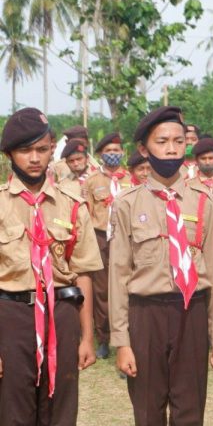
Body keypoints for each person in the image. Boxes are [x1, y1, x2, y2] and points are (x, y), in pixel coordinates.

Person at [109, 106, 213, 426]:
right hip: (146, 316)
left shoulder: (205, 201)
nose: (173, 148)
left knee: (190, 411)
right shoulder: (127, 205)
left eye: (179, 141)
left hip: (192, 312)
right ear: (145, 150)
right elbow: (118, 276)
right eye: (162, 142)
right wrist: (121, 341)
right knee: (147, 413)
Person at [0, 107, 102, 426]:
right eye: (25, 150)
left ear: (52, 149)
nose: (34, 158)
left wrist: (87, 336)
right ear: (9, 154)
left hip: (61, 314)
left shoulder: (72, 204)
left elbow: (84, 273)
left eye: (42, 149)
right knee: (13, 417)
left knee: (59, 415)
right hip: (12, 316)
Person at [83, 132, 132, 360]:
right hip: (101, 238)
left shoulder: (131, 179)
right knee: (102, 291)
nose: (113, 155)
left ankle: (126, 337)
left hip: (127, 239)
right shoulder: (92, 182)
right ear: (101, 154)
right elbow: (87, 213)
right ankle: (103, 338)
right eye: (109, 151)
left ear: (122, 153)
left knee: (127, 287)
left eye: (116, 151)